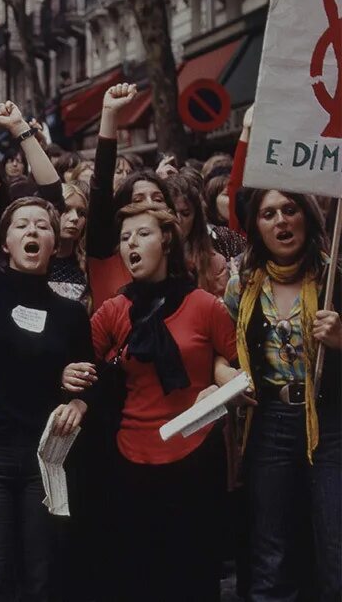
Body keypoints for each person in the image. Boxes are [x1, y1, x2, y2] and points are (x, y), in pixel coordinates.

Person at [0, 103, 92, 602]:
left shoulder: (72, 312)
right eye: (22, 226)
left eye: (43, 226)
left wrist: (78, 401)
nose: (33, 231)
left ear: (57, 242)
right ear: (4, 243)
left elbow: (89, 377)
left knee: (39, 582)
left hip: (44, 460)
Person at [79, 201, 240, 600]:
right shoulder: (112, 311)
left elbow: (240, 366)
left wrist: (221, 382)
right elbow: (80, 365)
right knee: (139, 577)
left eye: (143, 234)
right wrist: (70, 378)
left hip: (196, 457)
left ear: (167, 240)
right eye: (124, 238)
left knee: (194, 575)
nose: (131, 243)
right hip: (131, 460)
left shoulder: (205, 305)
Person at [225, 189, 340, 600]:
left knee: (334, 550)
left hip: (330, 425)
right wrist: (229, 380)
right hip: (269, 424)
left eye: (289, 210)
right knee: (271, 555)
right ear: (256, 226)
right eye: (268, 214)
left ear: (306, 217)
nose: (281, 221)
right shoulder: (243, 286)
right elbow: (219, 351)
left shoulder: (334, 278)